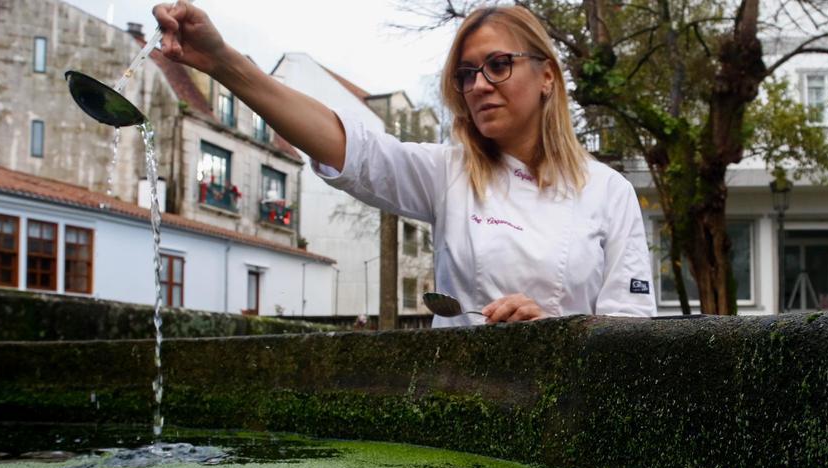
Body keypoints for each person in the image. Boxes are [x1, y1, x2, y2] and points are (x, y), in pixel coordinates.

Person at [153, 2, 657, 327]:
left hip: (563, 422)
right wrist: (224, 64)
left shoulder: (607, 192)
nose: (479, 84)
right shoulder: (449, 173)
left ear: (546, 75)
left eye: (498, 65)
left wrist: (549, 327)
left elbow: (629, 332)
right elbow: (353, 150)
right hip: (462, 407)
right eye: (466, 74)